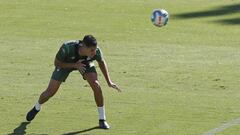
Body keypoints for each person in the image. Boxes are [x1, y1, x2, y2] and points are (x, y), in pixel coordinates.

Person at [26, 35, 121, 129]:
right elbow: (57, 63)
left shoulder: (95, 52)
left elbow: (101, 62)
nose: (94, 52)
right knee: (50, 92)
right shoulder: (67, 48)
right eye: (91, 50)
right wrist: (75, 65)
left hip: (84, 64)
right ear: (83, 46)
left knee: (96, 85)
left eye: (95, 49)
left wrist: (109, 81)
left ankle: (102, 119)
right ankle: (37, 107)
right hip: (65, 64)